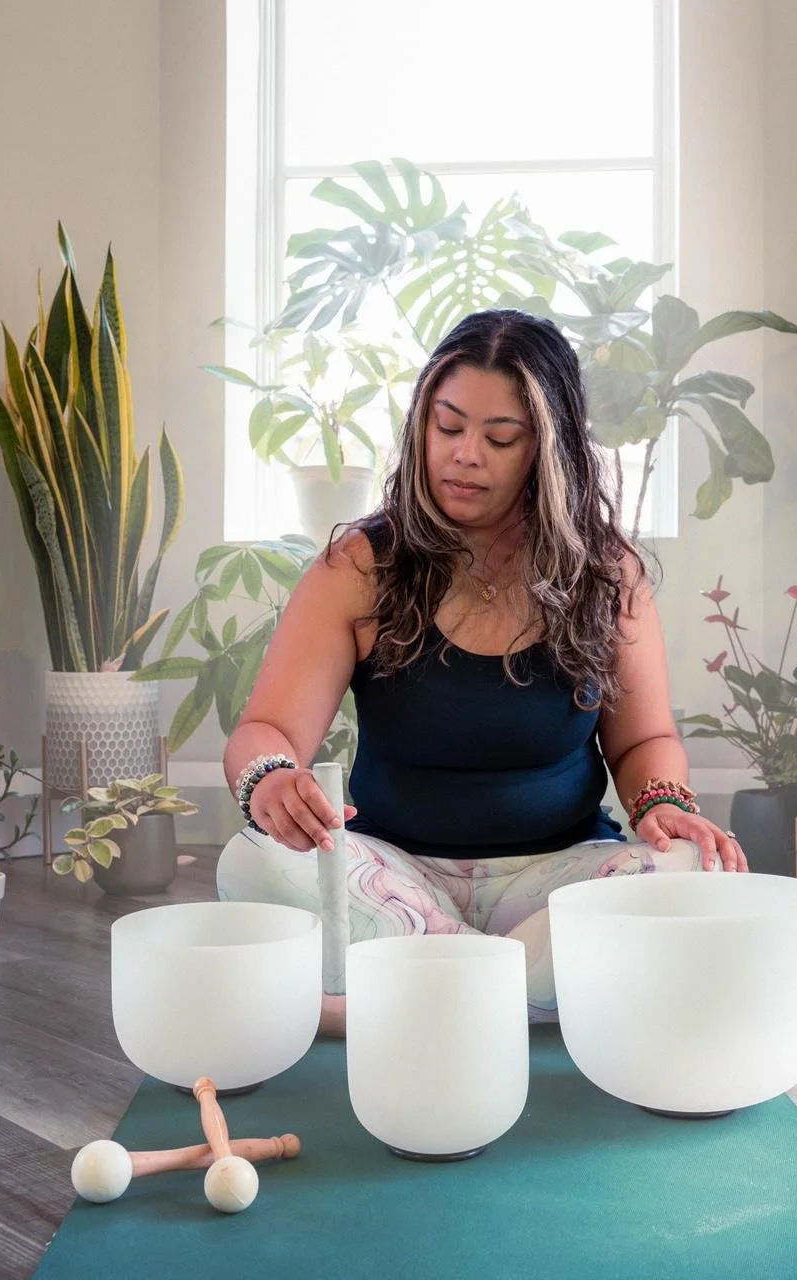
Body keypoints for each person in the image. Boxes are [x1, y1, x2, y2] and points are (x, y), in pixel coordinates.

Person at [219, 308, 746, 1033]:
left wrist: (662, 802)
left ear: (548, 452)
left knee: (689, 874)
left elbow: (641, 741)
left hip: (556, 876)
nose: (465, 455)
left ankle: (411, 993)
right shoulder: (359, 567)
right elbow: (267, 728)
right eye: (448, 427)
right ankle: (512, 990)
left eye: (500, 438)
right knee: (249, 863)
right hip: (393, 875)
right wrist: (271, 778)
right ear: (421, 427)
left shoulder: (606, 573)